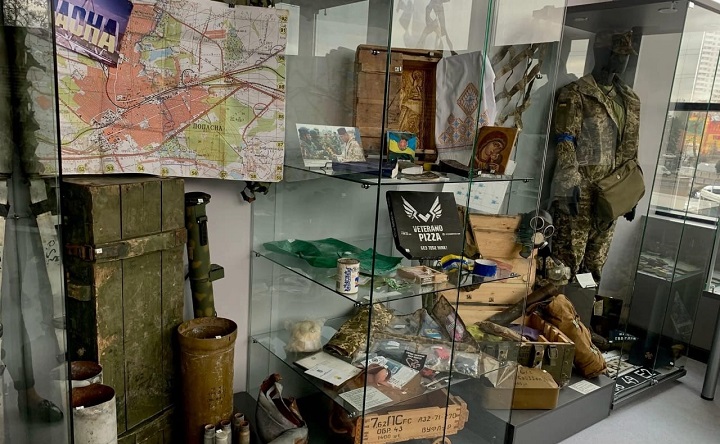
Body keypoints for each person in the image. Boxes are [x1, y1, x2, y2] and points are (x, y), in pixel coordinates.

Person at [550, 31, 642, 282]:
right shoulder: (576, 93)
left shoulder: (629, 99)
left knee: (595, 264)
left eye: (625, 55)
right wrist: (568, 182)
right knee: (566, 262)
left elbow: (631, 146)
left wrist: (631, 193)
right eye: (617, 54)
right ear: (600, 54)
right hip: (580, 192)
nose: (622, 61)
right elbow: (565, 139)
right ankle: (556, 305)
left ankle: (584, 306)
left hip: (612, 193)